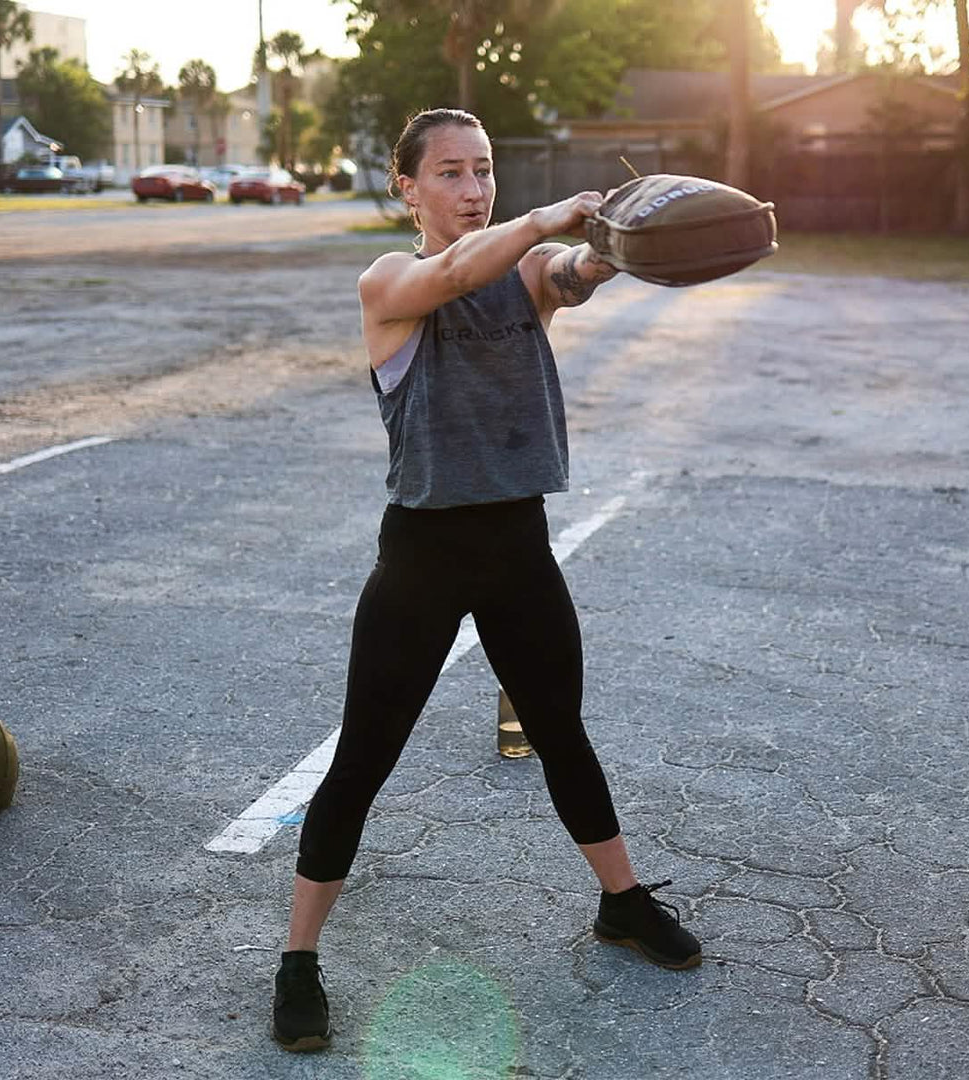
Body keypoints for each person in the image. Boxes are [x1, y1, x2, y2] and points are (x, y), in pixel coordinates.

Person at [272, 108, 701, 1053]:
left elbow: (569, 275)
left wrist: (619, 248)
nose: (474, 190)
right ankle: (299, 960)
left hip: (517, 547)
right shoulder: (389, 282)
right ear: (409, 188)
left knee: (562, 734)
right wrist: (550, 217)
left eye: (485, 171)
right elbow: (457, 272)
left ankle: (622, 904)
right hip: (423, 555)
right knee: (363, 762)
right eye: (453, 174)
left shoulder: (524, 268)